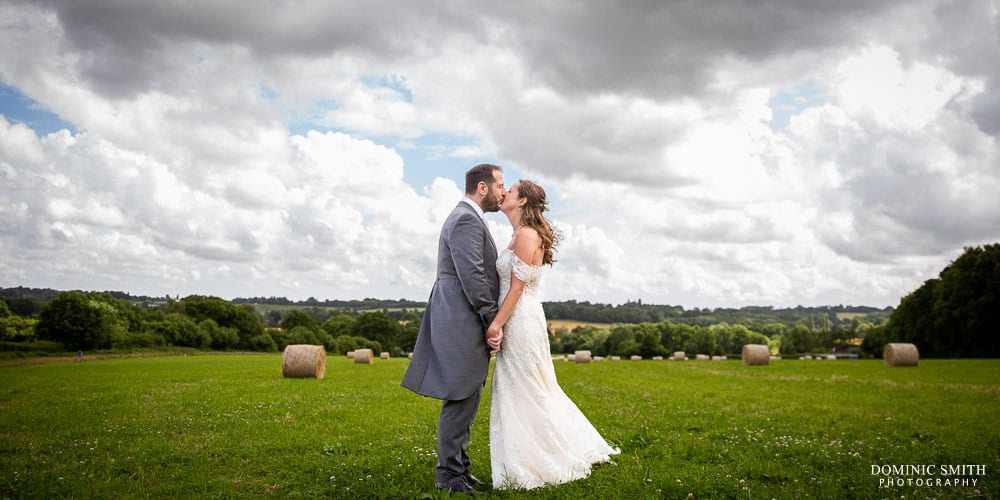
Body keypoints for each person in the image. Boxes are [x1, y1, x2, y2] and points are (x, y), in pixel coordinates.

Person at [487, 180, 619, 490]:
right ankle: (535, 452)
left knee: (524, 386)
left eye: (511, 189)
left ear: (521, 202)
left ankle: (537, 460)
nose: (504, 192)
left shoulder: (526, 235)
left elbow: (517, 288)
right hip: (523, 316)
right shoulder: (520, 234)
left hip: (519, 319)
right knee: (528, 384)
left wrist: (496, 325)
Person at [401, 164, 507, 495]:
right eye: (500, 185)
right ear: (482, 187)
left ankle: (459, 467)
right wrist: (491, 318)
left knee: (468, 393)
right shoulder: (465, 219)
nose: (504, 191)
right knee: (460, 395)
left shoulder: (470, 217)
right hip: (461, 316)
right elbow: (473, 274)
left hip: (462, 315)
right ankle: (448, 475)